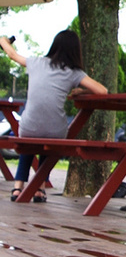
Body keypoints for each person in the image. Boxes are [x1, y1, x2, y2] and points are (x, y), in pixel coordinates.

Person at [0, 29, 107, 202]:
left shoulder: (35, 62)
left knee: (30, 138)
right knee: (47, 137)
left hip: (29, 128)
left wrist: (3, 41)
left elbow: (12, 54)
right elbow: (102, 91)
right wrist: (80, 90)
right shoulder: (73, 72)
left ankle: (18, 187)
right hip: (54, 131)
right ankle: (39, 188)